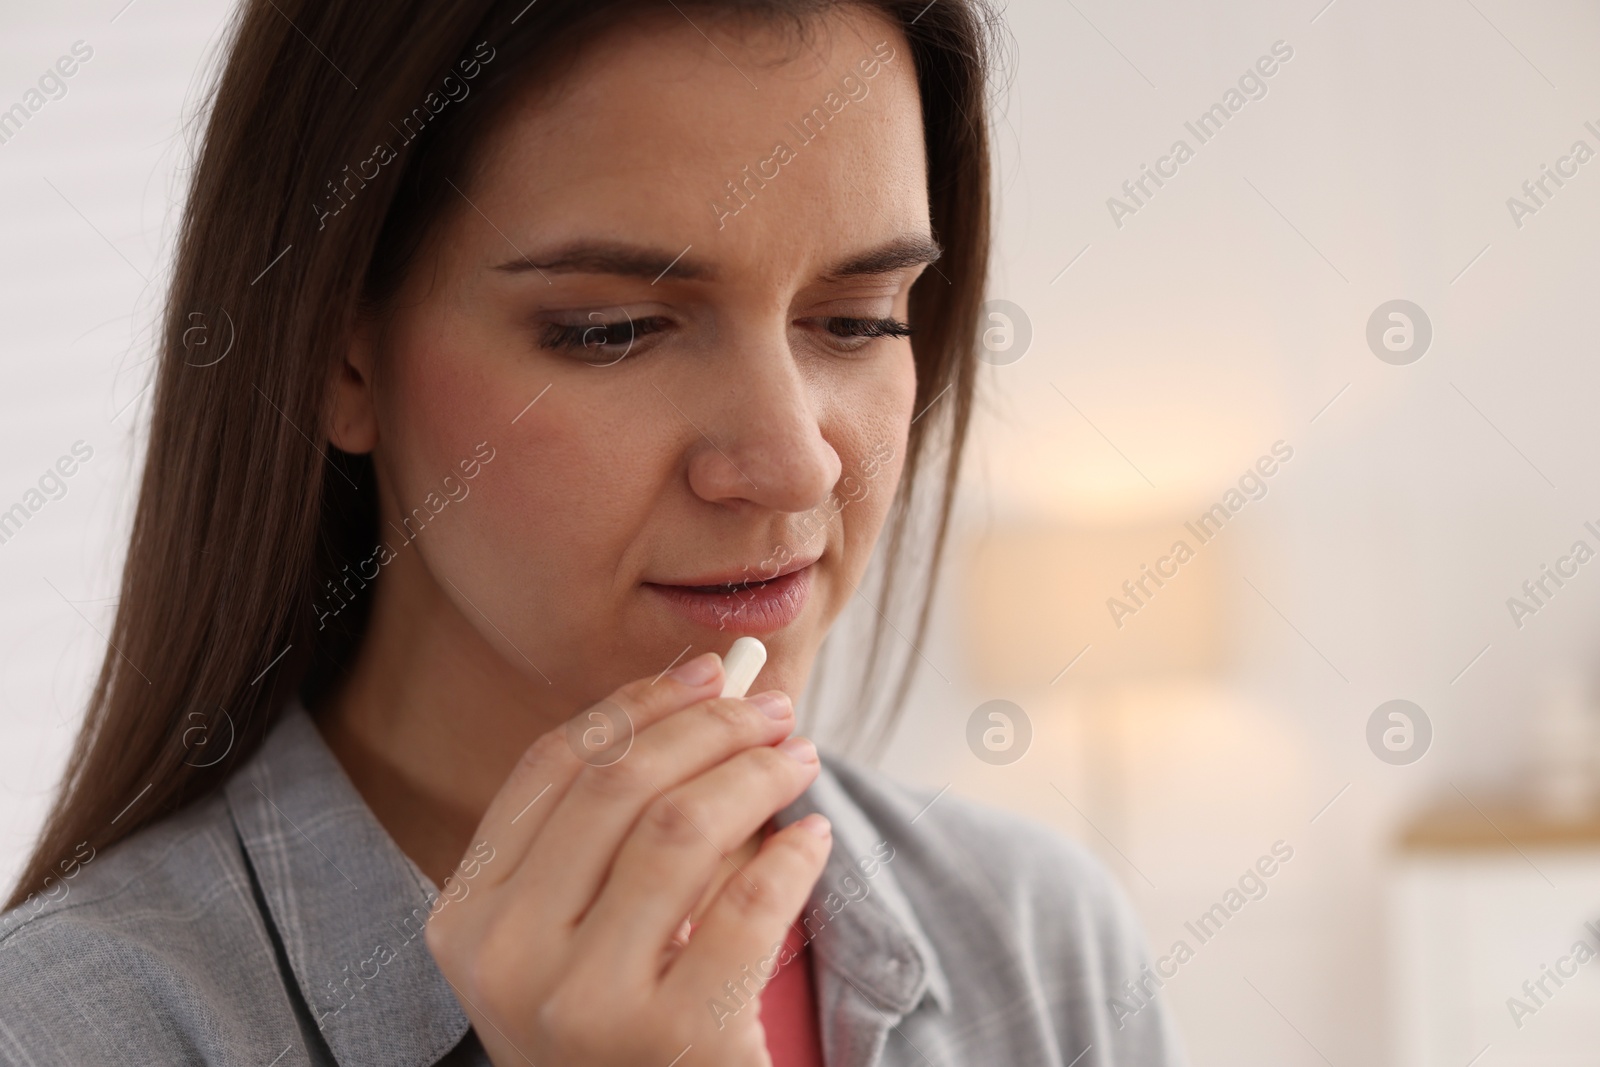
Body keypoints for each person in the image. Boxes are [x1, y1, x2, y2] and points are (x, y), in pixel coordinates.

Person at [0, 1, 1187, 1064]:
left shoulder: (1037, 947)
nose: (793, 461)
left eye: (859, 320)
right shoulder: (64, 1028)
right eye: (614, 330)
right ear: (335, 354)